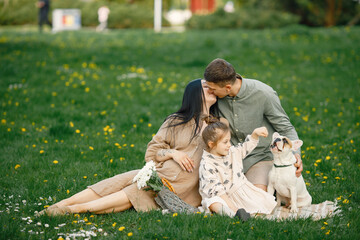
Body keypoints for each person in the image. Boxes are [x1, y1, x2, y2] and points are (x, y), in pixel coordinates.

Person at [38, 79, 218, 216]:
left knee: (135, 190)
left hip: (180, 189)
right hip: (159, 174)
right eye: (205, 87)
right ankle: (57, 206)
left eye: (212, 87)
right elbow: (152, 152)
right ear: (193, 94)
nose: (211, 88)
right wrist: (173, 153)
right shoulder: (177, 121)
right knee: (118, 180)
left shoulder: (218, 126)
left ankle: (74, 210)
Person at [203, 58, 302, 192]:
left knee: (258, 198)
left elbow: (286, 128)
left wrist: (296, 155)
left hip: (260, 157)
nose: (209, 91)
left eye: (212, 89)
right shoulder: (213, 96)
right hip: (228, 158)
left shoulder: (263, 94)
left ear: (227, 88)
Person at [199, 122, 277, 218]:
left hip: (241, 192)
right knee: (213, 203)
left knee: (262, 208)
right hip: (223, 197)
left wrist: (255, 135)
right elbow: (217, 191)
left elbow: (244, 147)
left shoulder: (231, 151)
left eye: (229, 141)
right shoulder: (207, 164)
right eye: (225, 142)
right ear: (211, 144)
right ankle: (234, 215)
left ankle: (242, 214)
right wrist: (234, 209)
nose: (229, 144)